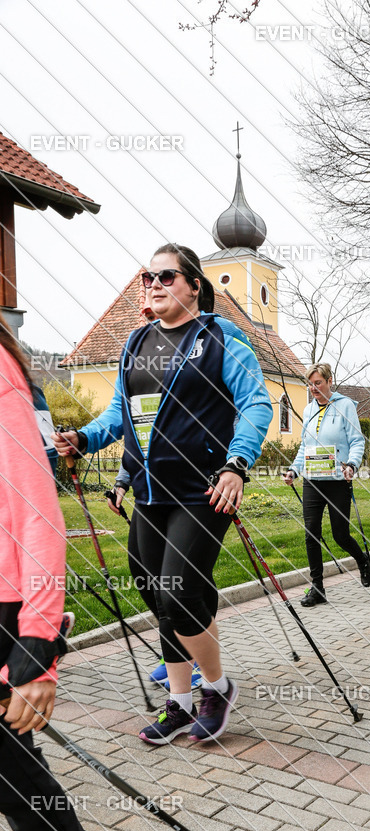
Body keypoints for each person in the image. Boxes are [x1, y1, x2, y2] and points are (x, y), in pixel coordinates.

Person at [54, 243, 272, 744]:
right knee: (157, 592)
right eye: (147, 278)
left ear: (195, 284)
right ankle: (177, 702)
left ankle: (216, 689)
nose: (154, 284)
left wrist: (236, 466)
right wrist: (83, 438)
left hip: (204, 489)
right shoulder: (136, 343)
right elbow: (120, 415)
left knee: (178, 588)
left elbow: (257, 405)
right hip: (150, 494)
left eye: (166, 276)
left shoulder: (220, 340)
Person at [0, 312, 127, 831]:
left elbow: (36, 513)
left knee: (11, 767)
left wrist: (38, 640)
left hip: (7, 598)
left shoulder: (1, 376)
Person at [107, 463, 202, 692]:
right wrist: (122, 482)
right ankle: (174, 652)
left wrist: (232, 467)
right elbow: (136, 438)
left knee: (178, 581)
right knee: (143, 573)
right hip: (149, 494)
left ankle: (192, 657)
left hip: (191, 492)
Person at [283, 363, 370, 606]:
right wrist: (293, 470)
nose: (313, 388)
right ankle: (317, 588)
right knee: (311, 533)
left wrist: (352, 465)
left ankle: (363, 560)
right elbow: (304, 447)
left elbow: (356, 440)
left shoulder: (345, 406)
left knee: (340, 535)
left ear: (330, 381)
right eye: (310, 384)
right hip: (312, 481)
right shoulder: (309, 409)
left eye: (318, 383)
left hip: (337, 481)